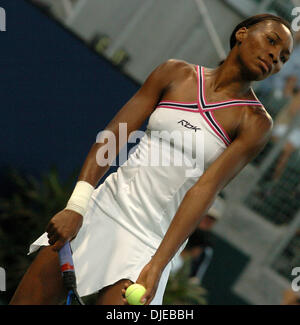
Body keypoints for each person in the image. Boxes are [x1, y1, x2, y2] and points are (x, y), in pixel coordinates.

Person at [10, 13, 294, 305]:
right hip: (100, 210)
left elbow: (205, 190)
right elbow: (114, 136)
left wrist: (158, 264)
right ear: (242, 34)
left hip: (150, 244)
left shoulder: (255, 122)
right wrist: (77, 206)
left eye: (284, 58)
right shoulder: (175, 73)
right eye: (271, 41)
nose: (275, 57)